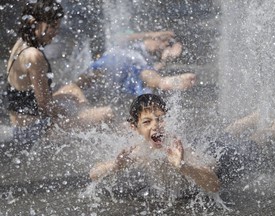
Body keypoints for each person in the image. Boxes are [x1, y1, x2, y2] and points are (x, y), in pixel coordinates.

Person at [4, 0, 113, 133]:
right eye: (53, 26)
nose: (56, 32)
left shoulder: (21, 43)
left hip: (22, 117)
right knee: (107, 113)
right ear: (34, 23)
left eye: (58, 27)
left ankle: (87, 113)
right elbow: (45, 107)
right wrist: (71, 116)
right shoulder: (34, 56)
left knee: (73, 89)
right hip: (30, 129)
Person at [89, 94, 220, 193]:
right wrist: (116, 165)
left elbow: (215, 186)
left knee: (224, 142)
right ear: (135, 128)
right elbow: (94, 174)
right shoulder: (137, 152)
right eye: (147, 122)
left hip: (218, 156)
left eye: (161, 119)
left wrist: (183, 166)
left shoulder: (178, 149)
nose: (156, 126)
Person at [76, 31, 196, 103]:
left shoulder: (151, 59)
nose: (165, 47)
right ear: (162, 37)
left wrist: (165, 61)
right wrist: (153, 34)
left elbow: (150, 72)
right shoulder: (137, 41)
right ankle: (73, 89)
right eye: (168, 43)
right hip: (117, 59)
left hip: (130, 76)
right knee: (92, 76)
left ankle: (163, 82)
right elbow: (118, 36)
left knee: (144, 80)